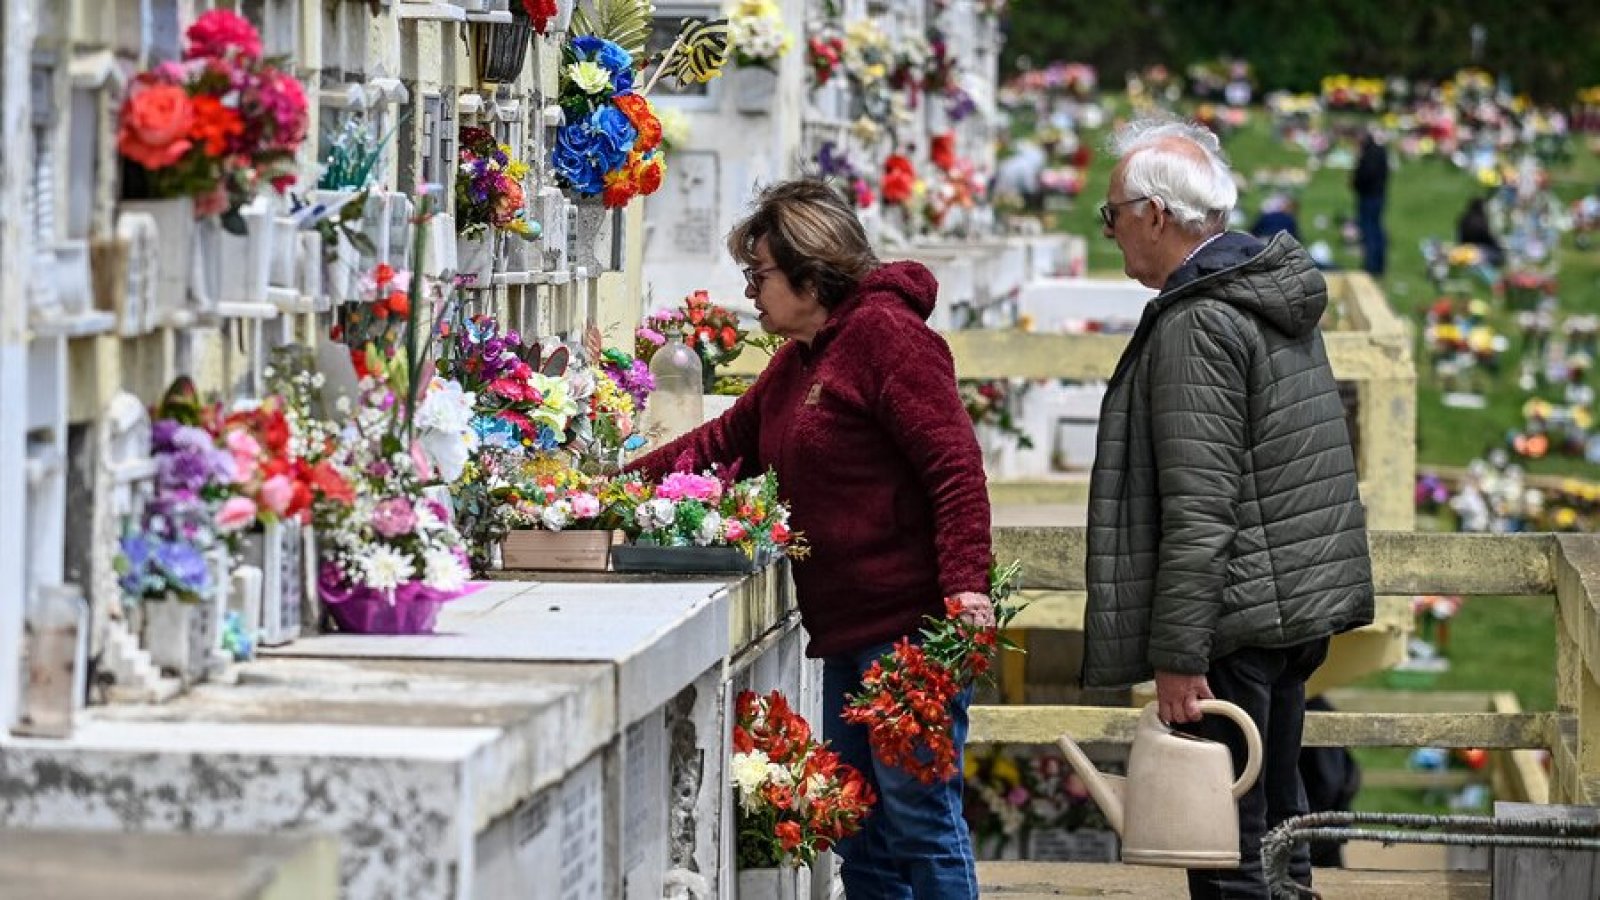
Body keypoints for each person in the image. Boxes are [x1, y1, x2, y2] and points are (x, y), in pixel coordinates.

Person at [628, 178, 994, 898]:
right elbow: (722, 442)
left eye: (758, 274)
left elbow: (955, 468)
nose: (750, 292)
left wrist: (966, 587)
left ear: (810, 270)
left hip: (912, 632)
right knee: (858, 829)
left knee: (919, 821)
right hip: (847, 631)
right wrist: (606, 491)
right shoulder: (801, 360)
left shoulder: (888, 339)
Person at [1083, 118, 1375, 899]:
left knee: (1227, 845)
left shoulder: (1198, 320)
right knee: (1282, 818)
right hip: (1288, 610)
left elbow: (1201, 507)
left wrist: (1180, 656)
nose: (1109, 232)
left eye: (1111, 214)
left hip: (1232, 624)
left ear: (1154, 214)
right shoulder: (1261, 295)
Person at [1351, 131, 1389, 275]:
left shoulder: (1368, 155)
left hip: (1369, 196)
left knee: (1369, 230)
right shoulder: (1381, 153)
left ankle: (1371, 265)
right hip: (1379, 195)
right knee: (1377, 228)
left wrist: (1355, 182)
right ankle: (1379, 263)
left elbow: (1364, 176)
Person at [1456, 196, 1505, 267]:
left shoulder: (1464, 219)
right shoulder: (1480, 222)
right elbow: (1489, 239)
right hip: (1478, 251)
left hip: (1464, 249)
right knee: (1499, 255)